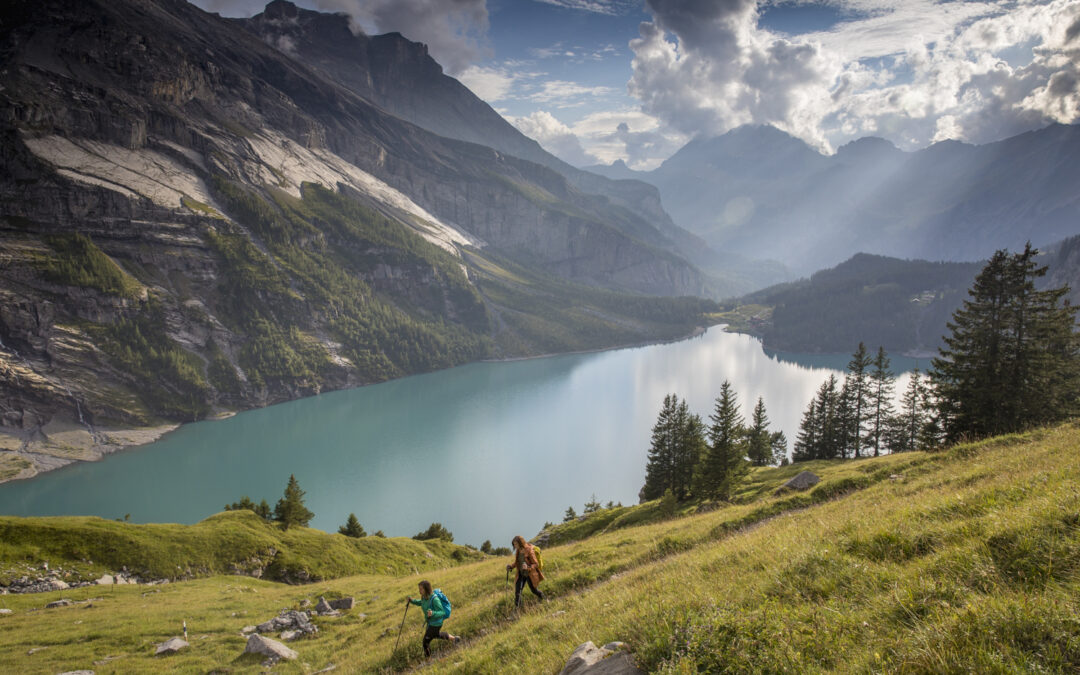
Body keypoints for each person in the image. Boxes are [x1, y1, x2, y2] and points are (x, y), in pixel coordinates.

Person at [407, 580, 459, 658]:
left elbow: (442, 612)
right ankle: (455, 639)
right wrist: (412, 601)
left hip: (436, 623)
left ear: (426, 589)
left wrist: (433, 613)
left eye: (421, 589)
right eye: (419, 589)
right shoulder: (424, 598)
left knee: (425, 642)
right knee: (436, 635)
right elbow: (421, 602)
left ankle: (428, 660)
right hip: (431, 623)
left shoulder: (435, 599)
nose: (419, 591)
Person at [506, 534, 544, 607]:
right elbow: (517, 562)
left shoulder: (529, 550)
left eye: (516, 544)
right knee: (517, 592)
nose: (515, 546)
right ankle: (518, 609)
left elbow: (536, 564)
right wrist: (511, 566)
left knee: (534, 590)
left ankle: (543, 597)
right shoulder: (518, 550)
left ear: (521, 543)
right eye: (514, 544)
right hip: (520, 573)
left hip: (529, 574)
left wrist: (528, 567)